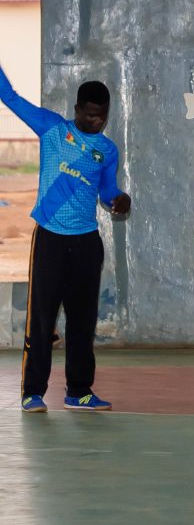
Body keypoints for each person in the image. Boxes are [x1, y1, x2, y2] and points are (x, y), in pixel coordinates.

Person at [0, 66, 130, 414]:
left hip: (86, 243)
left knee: (82, 321)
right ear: (76, 110)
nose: (95, 122)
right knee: (42, 320)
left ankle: (79, 391)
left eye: (101, 117)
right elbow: (9, 97)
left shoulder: (107, 150)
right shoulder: (53, 129)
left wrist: (118, 200)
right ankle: (32, 392)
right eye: (89, 116)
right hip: (51, 241)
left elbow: (107, 192)